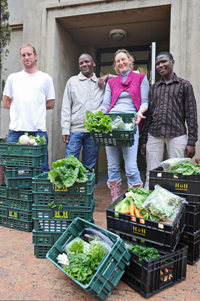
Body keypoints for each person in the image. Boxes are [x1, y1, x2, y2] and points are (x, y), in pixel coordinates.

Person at [94, 49, 149, 203]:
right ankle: (116, 201)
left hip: (130, 123)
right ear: (115, 65)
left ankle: (135, 201)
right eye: (118, 61)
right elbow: (106, 104)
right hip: (111, 125)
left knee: (131, 166)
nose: (121, 63)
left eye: (123, 59)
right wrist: (99, 110)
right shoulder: (111, 82)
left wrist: (140, 112)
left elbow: (145, 101)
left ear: (129, 60)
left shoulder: (141, 78)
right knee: (112, 166)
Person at [141, 51, 198, 188]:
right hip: (154, 135)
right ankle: (148, 203)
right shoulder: (153, 88)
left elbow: (191, 114)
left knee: (178, 173)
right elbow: (149, 116)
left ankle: (177, 206)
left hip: (177, 135)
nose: (160, 65)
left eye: (163, 62)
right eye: (157, 64)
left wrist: (192, 141)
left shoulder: (185, 85)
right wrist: (144, 140)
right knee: (151, 173)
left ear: (172, 62)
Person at [2, 42, 55, 172]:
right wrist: (20, 109)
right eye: (23, 55)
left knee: (41, 168)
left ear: (35, 56)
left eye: (29, 54)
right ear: (21, 58)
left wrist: (35, 108)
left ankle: (40, 193)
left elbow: (50, 103)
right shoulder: (13, 78)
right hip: (16, 130)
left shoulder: (45, 78)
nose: (26, 57)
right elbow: (5, 102)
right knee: (13, 168)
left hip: (38, 130)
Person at [61, 53, 108, 172]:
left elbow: (120, 79)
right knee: (69, 167)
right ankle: (70, 191)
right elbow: (66, 106)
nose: (84, 64)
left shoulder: (101, 83)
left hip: (93, 132)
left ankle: (86, 190)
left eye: (87, 61)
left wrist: (107, 76)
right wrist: (65, 129)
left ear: (93, 63)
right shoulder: (72, 81)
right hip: (74, 131)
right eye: (81, 63)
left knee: (89, 167)